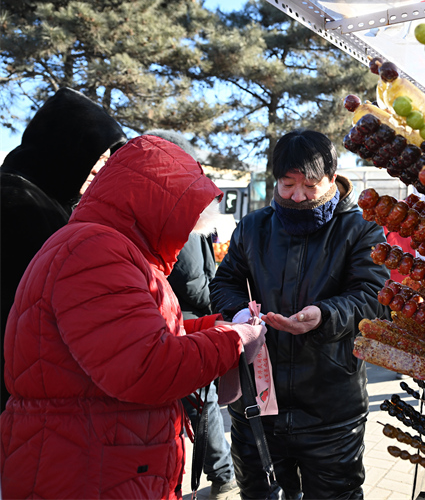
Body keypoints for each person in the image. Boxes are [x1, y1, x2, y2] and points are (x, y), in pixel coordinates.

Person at [0, 135, 267, 499]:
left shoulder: (112, 247)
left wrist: (214, 326)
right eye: (184, 215)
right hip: (87, 465)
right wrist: (232, 341)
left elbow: (141, 335)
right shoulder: (96, 251)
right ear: (157, 205)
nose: (185, 230)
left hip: (98, 455)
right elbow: (144, 366)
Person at [210, 129, 390, 499]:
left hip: (331, 412)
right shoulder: (253, 227)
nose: (297, 195)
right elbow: (224, 282)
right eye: (287, 184)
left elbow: (376, 298)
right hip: (257, 408)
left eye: (309, 184)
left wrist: (324, 315)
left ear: (332, 176)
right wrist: (240, 314)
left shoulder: (360, 229)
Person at [0, 87, 128, 412]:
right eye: (94, 156)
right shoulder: (17, 201)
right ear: (65, 149)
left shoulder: (50, 200)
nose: (101, 169)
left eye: (106, 160)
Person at [143, 129, 240, 500]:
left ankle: (223, 474)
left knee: (205, 405)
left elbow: (196, 280)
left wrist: (220, 318)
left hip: (187, 322)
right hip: (184, 323)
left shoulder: (183, 221)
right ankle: (222, 474)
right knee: (204, 405)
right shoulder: (173, 218)